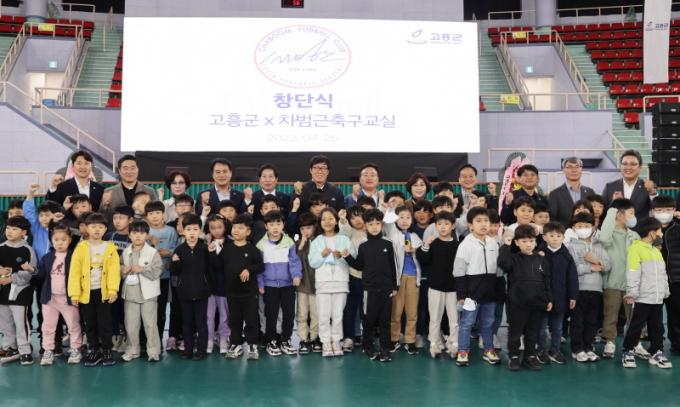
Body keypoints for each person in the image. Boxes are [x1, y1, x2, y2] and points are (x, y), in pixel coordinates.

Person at [343, 209, 398, 362]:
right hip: (369, 289)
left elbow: (394, 266)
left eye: (377, 224)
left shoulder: (388, 243)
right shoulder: (363, 245)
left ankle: (385, 349)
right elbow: (359, 265)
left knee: (385, 320)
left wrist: (395, 286)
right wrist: (347, 257)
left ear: (382, 225)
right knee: (369, 319)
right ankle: (368, 346)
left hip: (386, 289)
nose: (374, 227)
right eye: (371, 224)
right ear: (366, 226)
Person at [68, 212, 121, 367]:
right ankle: (94, 350)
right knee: (89, 323)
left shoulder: (110, 248)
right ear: (86, 228)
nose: (97, 230)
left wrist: (113, 290)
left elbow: (114, 271)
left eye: (100, 227)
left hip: (104, 292)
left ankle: (107, 350)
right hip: (86, 293)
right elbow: (74, 272)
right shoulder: (81, 247)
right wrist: (74, 293)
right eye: (93, 226)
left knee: (105, 323)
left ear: (105, 229)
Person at [498, 225, 553, 372]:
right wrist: (506, 246)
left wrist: (549, 299)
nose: (528, 244)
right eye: (524, 241)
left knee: (532, 332)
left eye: (531, 241)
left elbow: (547, 280)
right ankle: (514, 356)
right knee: (515, 332)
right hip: (517, 303)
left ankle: (530, 356)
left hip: (537, 302)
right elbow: (503, 263)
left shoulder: (542, 260)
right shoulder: (513, 259)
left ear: (535, 242)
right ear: (517, 242)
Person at [210, 214, 264, 360]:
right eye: (234, 228)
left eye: (240, 228)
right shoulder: (227, 248)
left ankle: (252, 344)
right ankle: (236, 344)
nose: (236, 230)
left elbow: (260, 266)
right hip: (232, 293)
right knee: (234, 320)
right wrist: (212, 253)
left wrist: (249, 270)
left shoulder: (252, 249)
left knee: (251, 320)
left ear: (248, 232)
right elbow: (218, 265)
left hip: (250, 293)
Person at [453, 207, 502, 367]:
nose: (483, 224)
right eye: (478, 221)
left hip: (490, 291)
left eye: (486, 221)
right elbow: (459, 271)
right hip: (471, 293)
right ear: (470, 225)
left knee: (488, 322)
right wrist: (462, 294)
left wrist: (499, 291)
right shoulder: (465, 245)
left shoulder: (493, 243)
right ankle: (462, 351)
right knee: (467, 322)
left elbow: (498, 270)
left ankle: (489, 350)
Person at [621, 218, 672, 369]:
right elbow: (633, 273)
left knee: (657, 327)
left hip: (657, 298)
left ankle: (656, 352)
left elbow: (663, 274)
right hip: (642, 298)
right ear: (652, 233)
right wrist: (632, 293)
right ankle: (628, 351)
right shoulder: (635, 249)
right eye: (659, 231)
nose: (661, 234)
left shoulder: (656, 251)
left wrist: (665, 291)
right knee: (636, 326)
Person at [598, 198, 643, 359]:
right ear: (619, 215)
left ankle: (635, 342)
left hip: (632, 284)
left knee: (634, 315)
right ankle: (610, 341)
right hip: (612, 282)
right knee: (611, 315)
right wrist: (611, 211)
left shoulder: (634, 235)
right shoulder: (608, 234)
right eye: (630, 213)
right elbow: (603, 239)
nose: (633, 217)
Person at [34, 225, 82, 365]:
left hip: (68, 299)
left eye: (63, 239)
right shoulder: (47, 257)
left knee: (73, 325)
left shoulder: (74, 256)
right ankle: (48, 350)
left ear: (70, 240)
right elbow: (41, 276)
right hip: (50, 299)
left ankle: (75, 349)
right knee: (48, 326)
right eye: (56, 240)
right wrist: (32, 270)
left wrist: (77, 295)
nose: (60, 243)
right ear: (51, 241)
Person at [566, 213, 610, 363]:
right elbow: (572, 269)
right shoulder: (570, 246)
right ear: (573, 228)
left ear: (593, 227)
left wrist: (595, 260)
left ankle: (588, 347)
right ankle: (577, 349)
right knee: (577, 321)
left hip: (596, 290)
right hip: (578, 290)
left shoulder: (599, 246)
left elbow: (607, 265)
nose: (583, 229)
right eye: (579, 226)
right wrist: (591, 267)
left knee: (592, 322)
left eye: (586, 226)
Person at [256, 210, 302, 356]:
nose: (275, 227)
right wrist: (260, 283)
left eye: (278, 223)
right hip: (269, 286)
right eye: (271, 224)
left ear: (283, 225)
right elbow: (259, 267)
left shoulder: (289, 242)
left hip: (287, 285)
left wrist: (296, 275)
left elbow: (294, 261)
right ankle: (271, 341)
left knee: (289, 314)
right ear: (266, 226)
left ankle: (286, 340)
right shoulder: (261, 245)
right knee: (271, 314)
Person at [309, 208, 353, 357]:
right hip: (323, 283)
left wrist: (342, 256)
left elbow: (352, 258)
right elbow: (313, 262)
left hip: (341, 281)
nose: (327, 222)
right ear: (319, 222)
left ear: (336, 220)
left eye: (330, 218)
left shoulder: (344, 239)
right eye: (324, 219)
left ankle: (336, 340)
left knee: (338, 315)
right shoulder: (316, 241)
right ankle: (325, 342)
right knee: (323, 315)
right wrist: (322, 255)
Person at [417, 211, 459, 359]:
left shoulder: (458, 245)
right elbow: (423, 259)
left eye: (446, 224)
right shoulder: (433, 243)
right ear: (435, 226)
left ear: (453, 226)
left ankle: (454, 344)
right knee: (435, 317)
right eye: (439, 224)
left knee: (454, 318)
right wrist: (426, 245)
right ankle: (434, 343)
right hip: (435, 287)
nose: (443, 227)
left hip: (453, 288)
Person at [120, 221, 163, 363]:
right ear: (129, 235)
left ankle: (153, 351)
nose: (138, 236)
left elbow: (158, 270)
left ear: (147, 235)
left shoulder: (152, 252)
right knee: (131, 325)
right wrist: (123, 270)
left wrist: (142, 269)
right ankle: (132, 350)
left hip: (148, 294)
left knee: (150, 324)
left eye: (142, 233)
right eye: (134, 233)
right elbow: (119, 269)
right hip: (130, 294)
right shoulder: (125, 252)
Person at [171, 213, 211, 361]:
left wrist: (213, 253)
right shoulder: (179, 249)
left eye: (195, 229)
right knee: (186, 323)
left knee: (201, 324)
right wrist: (175, 262)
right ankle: (187, 350)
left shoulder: (205, 248)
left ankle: (201, 350)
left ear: (200, 230)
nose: (192, 233)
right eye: (188, 229)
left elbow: (212, 268)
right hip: (184, 292)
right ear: (183, 231)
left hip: (202, 292)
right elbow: (175, 272)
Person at [383, 205, 423, 355]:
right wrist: (389, 211)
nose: (405, 220)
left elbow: (423, 255)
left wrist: (414, 250)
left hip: (413, 277)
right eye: (401, 217)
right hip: (398, 278)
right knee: (396, 311)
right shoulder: (393, 233)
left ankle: (410, 340)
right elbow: (387, 223)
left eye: (408, 218)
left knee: (412, 312)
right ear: (396, 220)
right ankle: (394, 339)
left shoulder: (415, 237)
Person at [537, 222, 578, 365]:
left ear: (563, 237)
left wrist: (573, 296)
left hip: (560, 297)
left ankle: (555, 350)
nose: (555, 238)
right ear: (544, 237)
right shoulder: (539, 254)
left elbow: (572, 277)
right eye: (551, 235)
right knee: (541, 328)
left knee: (557, 328)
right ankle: (542, 351)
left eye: (558, 236)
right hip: (542, 298)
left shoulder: (566, 256)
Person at [0, 216, 36, 365]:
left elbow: (29, 273)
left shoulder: (27, 250)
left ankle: (25, 350)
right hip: (2, 292)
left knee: (21, 323)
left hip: (20, 292)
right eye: (8, 228)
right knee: (5, 322)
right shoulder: (1, 247)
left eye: (14, 229)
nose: (9, 231)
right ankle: (10, 347)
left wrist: (12, 278)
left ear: (23, 232)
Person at [145, 201, 179, 348]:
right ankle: (146, 340)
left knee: (161, 310)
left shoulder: (171, 231)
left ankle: (158, 340)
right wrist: (156, 253)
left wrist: (169, 253)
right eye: (151, 213)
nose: (155, 216)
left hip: (164, 277)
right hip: (147, 278)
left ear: (163, 214)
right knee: (147, 310)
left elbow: (176, 251)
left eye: (158, 213)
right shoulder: (144, 232)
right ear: (146, 217)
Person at [652, 195, 680, 353]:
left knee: (676, 313)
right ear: (653, 211)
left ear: (674, 210)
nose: (664, 213)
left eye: (668, 209)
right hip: (654, 280)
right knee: (654, 315)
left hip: (675, 279)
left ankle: (677, 343)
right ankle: (656, 345)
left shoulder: (678, 228)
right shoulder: (648, 230)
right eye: (660, 210)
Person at [104, 205, 133, 352]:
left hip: (128, 280)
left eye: (121, 218)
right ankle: (115, 334)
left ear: (130, 220)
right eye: (115, 218)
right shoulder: (108, 236)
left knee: (126, 310)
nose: (117, 221)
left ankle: (126, 336)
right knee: (112, 309)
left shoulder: (133, 237)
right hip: (110, 280)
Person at [339, 205, 367, 353]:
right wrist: (343, 220)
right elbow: (344, 229)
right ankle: (349, 337)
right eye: (353, 217)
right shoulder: (350, 232)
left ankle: (367, 338)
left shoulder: (372, 231)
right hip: (353, 276)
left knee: (366, 310)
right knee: (349, 309)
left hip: (369, 278)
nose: (357, 220)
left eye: (360, 216)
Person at [204, 214, 231, 355]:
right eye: (212, 228)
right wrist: (207, 246)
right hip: (209, 287)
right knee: (209, 315)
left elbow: (223, 264)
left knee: (224, 315)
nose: (216, 230)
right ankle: (209, 339)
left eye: (219, 227)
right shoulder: (205, 244)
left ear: (225, 227)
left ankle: (224, 338)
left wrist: (213, 252)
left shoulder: (231, 243)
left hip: (225, 286)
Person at [100, 155, 158, 220]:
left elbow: (156, 213)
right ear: (119, 171)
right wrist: (104, 205)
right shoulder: (109, 192)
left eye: (133, 168)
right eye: (125, 168)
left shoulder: (149, 191)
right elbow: (102, 217)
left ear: (138, 170)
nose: (129, 172)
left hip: (142, 226)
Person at [602, 150, 654, 220]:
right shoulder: (610, 187)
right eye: (624, 164)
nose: (628, 167)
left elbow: (656, 209)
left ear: (640, 167)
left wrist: (652, 193)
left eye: (633, 164)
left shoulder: (647, 187)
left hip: (640, 227)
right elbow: (602, 212)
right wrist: (614, 203)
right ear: (620, 166)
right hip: (615, 226)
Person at [295, 213, 319, 355]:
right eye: (303, 229)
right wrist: (301, 246)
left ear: (315, 227)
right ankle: (303, 339)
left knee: (316, 314)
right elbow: (294, 262)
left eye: (309, 228)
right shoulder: (297, 244)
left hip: (317, 285)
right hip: (302, 285)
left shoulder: (319, 241)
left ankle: (315, 338)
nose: (306, 231)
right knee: (302, 313)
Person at [548, 157, 595, 228]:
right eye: (569, 167)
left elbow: (594, 215)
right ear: (563, 170)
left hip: (587, 233)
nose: (574, 170)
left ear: (581, 169)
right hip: (564, 233)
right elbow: (552, 218)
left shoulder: (590, 192)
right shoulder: (554, 194)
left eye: (577, 167)